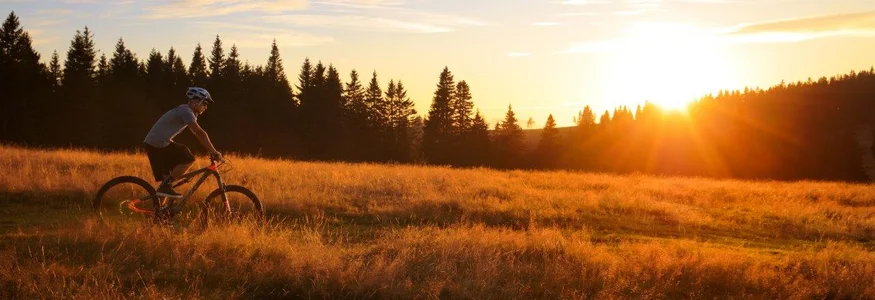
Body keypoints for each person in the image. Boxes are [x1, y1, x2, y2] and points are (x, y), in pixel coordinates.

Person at [143, 87, 222, 198]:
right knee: (187, 157)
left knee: (167, 184)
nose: (206, 107)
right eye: (204, 103)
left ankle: (161, 207)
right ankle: (166, 186)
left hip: (156, 143)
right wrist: (213, 151)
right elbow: (199, 132)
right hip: (157, 144)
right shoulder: (186, 112)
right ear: (196, 101)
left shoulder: (186, 111)